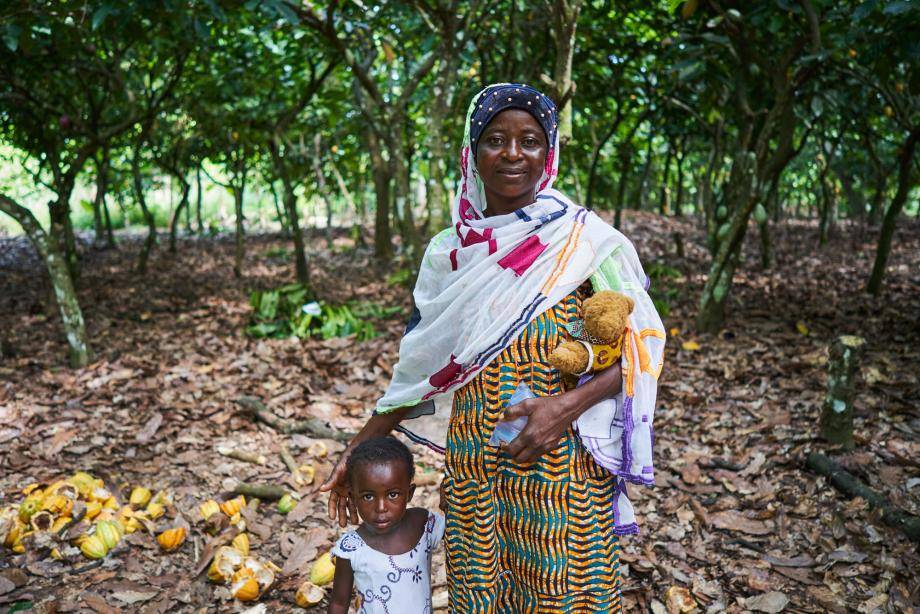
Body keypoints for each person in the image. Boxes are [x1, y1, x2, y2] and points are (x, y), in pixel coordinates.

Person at [321, 83, 665, 612]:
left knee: (567, 594)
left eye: (529, 141)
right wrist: (357, 448)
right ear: (472, 152)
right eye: (495, 140)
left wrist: (564, 408)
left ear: (547, 155)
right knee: (481, 592)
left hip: (562, 465)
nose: (511, 154)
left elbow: (641, 350)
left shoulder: (584, 243)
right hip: (476, 465)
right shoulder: (450, 254)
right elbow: (422, 371)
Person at [327, 436, 445, 614]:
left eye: (393, 495)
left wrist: (449, 501)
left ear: (409, 493)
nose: (381, 508)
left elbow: (461, 532)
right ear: (352, 497)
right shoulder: (351, 548)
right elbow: (338, 604)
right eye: (368, 496)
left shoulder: (423, 524)